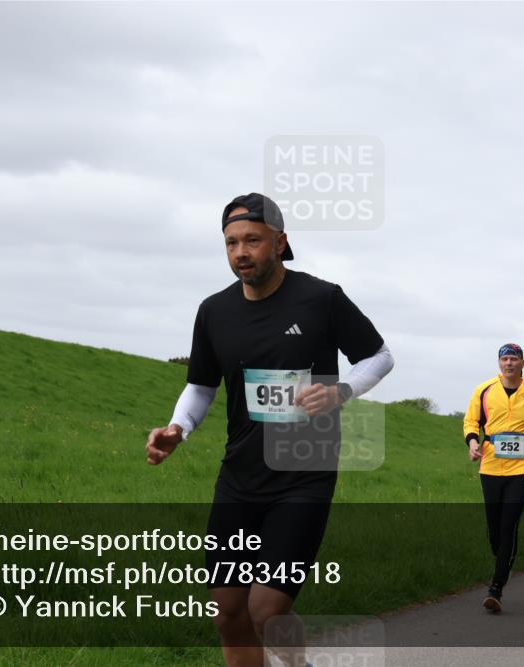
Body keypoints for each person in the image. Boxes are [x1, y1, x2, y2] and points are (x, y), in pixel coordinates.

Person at [146, 193, 394, 667]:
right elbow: (200, 386)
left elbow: (380, 356)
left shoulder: (321, 299)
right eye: (231, 243)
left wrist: (340, 392)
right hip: (240, 475)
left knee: (267, 609)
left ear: (280, 243)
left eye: (253, 241)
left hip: (305, 473)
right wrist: (178, 428)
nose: (241, 252)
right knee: (226, 611)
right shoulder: (214, 311)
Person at [463, 343, 524, 613]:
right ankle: (504, 559)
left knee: (509, 524)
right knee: (494, 531)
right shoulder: (484, 390)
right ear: (499, 363)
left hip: (521, 469)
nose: (509, 363)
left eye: (514, 359)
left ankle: (496, 588)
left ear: (523, 363)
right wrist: (472, 443)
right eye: (505, 359)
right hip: (490, 465)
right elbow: (470, 421)